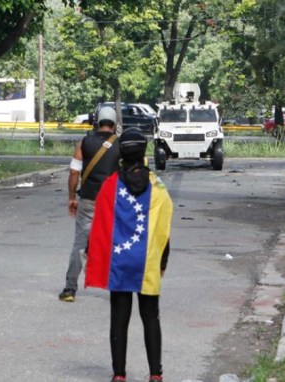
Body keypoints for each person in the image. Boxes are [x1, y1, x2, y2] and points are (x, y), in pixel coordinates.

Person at [85, 127, 173, 382]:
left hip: (119, 261)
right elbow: (163, 229)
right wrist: (163, 261)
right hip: (147, 261)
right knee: (151, 316)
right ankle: (155, 373)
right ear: (144, 151)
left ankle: (119, 374)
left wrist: (93, 256)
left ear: (121, 152)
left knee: (119, 318)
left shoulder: (110, 186)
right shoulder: (158, 187)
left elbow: (99, 228)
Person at [58, 106, 121, 302]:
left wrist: (71, 197)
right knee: (113, 244)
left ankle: (69, 289)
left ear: (97, 122)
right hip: (112, 201)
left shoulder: (83, 143)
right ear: (114, 124)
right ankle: (117, 289)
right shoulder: (121, 145)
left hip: (88, 200)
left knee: (80, 243)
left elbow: (74, 172)